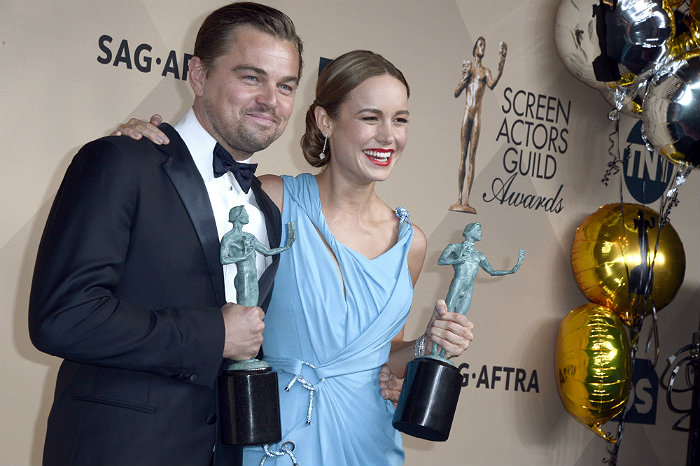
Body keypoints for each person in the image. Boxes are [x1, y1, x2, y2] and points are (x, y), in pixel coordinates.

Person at [118, 50, 475, 466]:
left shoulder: (410, 243)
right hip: (275, 436)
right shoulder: (273, 199)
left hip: (369, 443)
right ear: (326, 121)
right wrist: (146, 150)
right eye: (370, 117)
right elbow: (184, 215)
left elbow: (383, 357)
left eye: (400, 120)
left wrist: (425, 344)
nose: (388, 136)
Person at [28, 3, 304, 465]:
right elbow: (63, 317)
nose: (270, 100)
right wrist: (212, 334)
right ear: (198, 75)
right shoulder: (122, 161)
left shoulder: (266, 211)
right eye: (251, 77)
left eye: (286, 86)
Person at [434, 223, 523, 358]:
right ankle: (433, 351)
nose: (481, 232)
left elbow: (492, 271)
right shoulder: (455, 247)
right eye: (478, 230)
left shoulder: (479, 255)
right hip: (457, 285)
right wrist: (458, 260)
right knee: (445, 318)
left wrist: (512, 270)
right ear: (469, 232)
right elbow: (441, 261)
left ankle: (442, 355)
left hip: (468, 290)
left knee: (457, 322)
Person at [450, 37, 507, 214]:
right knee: (463, 156)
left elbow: (492, 84)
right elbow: (456, 92)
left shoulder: (485, 72)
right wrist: (463, 79)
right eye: (480, 45)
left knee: (472, 157)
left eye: (484, 46)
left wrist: (501, 62)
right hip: (467, 114)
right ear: (475, 48)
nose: (483, 48)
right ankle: (459, 197)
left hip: (476, 116)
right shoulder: (469, 69)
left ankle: (467, 199)